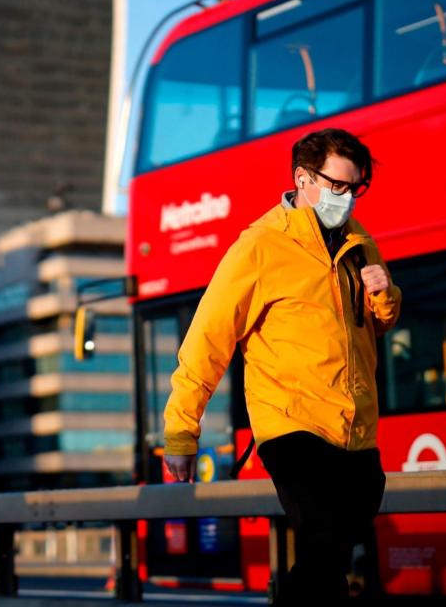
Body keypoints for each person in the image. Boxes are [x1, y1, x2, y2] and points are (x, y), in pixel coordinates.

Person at [162, 128, 402, 605]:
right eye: (339, 186)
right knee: (324, 540)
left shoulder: (360, 243)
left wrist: (386, 298)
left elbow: (368, 331)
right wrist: (181, 432)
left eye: (357, 188)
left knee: (331, 553)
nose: (348, 198)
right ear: (303, 179)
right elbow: (209, 337)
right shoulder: (260, 246)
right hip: (291, 427)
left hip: (353, 430)